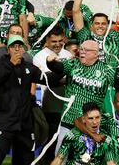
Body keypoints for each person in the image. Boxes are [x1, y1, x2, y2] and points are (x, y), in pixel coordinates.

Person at [0, 35, 60, 165]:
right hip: (5, 122)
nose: (17, 49)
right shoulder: (0, 63)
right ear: (8, 49)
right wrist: (11, 64)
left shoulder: (29, 67)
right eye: (14, 46)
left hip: (24, 123)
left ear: (23, 49)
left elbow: (48, 79)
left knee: (26, 160)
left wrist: (61, 69)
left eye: (20, 46)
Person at [46, 40, 116, 155]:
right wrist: (50, 61)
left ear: (96, 54)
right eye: (81, 49)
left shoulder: (106, 70)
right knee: (60, 156)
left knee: (88, 159)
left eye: (87, 50)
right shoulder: (73, 63)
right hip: (69, 120)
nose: (82, 52)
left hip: (91, 124)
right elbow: (58, 67)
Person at [32, 26, 73, 163]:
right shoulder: (39, 57)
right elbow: (51, 80)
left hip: (69, 108)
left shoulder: (67, 55)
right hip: (51, 107)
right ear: (47, 40)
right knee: (51, 144)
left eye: (60, 40)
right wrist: (69, 78)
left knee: (68, 144)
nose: (57, 44)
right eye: (54, 41)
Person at [73, 0, 119, 65]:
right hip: (90, 76)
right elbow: (76, 11)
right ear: (92, 25)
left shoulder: (114, 36)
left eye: (103, 23)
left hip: (109, 77)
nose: (100, 26)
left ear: (107, 25)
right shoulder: (85, 36)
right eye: (97, 23)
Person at [51, 102, 116, 165]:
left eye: (97, 117)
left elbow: (110, 162)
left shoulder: (106, 139)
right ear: (83, 119)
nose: (95, 122)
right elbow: (59, 158)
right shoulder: (73, 135)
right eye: (90, 118)